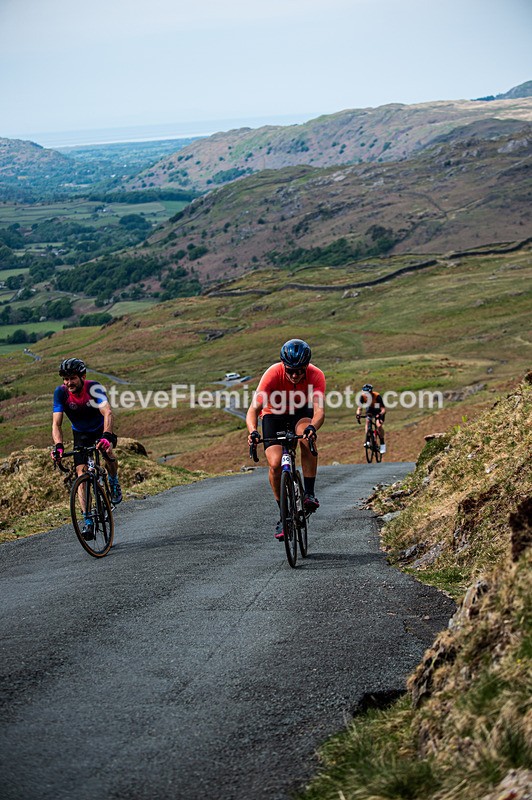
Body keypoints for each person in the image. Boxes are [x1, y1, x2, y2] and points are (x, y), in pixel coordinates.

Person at [246, 338, 326, 541]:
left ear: (306, 366)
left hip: (301, 412)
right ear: (284, 365)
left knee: (306, 439)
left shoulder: (316, 375)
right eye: (290, 370)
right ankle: (284, 514)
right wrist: (253, 431)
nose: (295, 375)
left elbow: (319, 411)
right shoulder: (273, 373)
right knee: (275, 464)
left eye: (300, 370)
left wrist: (312, 428)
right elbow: (253, 409)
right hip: (274, 413)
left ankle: (308, 493)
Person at [51, 358, 122, 537]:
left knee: (108, 452)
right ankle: (87, 520)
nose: (68, 383)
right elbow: (56, 424)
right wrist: (58, 446)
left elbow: (107, 412)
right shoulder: (60, 393)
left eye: (72, 378)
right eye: (65, 379)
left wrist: (106, 435)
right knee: (81, 474)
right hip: (80, 435)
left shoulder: (94, 388)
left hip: (101, 429)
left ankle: (113, 481)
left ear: (82, 376)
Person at [356, 383, 386, 454]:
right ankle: (367, 440)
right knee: (367, 421)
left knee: (378, 425)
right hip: (370, 409)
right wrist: (358, 415)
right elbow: (359, 408)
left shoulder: (377, 396)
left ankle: (382, 443)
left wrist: (380, 414)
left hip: (378, 410)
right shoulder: (362, 397)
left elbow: (383, 409)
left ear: (371, 392)